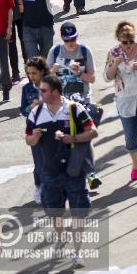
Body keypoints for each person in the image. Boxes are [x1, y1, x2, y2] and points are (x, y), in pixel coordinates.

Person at [25, 74, 97, 261]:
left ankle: (77, 251)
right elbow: (28, 140)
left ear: (55, 92)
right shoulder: (36, 113)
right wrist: (35, 137)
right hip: (50, 172)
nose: (39, 93)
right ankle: (61, 236)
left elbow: (92, 131)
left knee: (78, 211)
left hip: (74, 171)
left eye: (43, 90)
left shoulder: (74, 109)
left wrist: (71, 138)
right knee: (54, 211)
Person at [104, 21, 137, 181]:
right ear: (119, 39)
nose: (129, 45)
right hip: (125, 101)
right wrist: (114, 65)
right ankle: (135, 163)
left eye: (131, 41)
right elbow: (107, 77)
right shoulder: (114, 52)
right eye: (125, 42)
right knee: (130, 138)